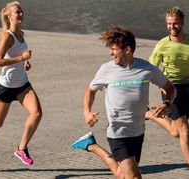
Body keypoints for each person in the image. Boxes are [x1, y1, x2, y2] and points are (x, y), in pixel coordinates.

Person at [71, 25, 176, 179]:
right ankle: (91, 145)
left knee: (122, 174)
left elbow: (170, 88)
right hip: (117, 133)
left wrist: (166, 104)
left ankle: (91, 145)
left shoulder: (146, 69)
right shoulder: (106, 69)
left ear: (127, 50)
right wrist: (87, 111)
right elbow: (90, 90)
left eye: (114, 49)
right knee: (134, 176)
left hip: (138, 131)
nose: (110, 53)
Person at [0, 1, 42, 168]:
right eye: (17, 12)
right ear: (9, 16)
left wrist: (24, 64)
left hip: (22, 85)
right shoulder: (8, 36)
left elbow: (19, 58)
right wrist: (21, 59)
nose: (20, 14)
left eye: (21, 11)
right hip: (5, 87)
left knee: (36, 113)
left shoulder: (21, 34)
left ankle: (21, 148)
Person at [147, 7, 189, 179]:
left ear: (182, 23)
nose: (172, 26)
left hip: (186, 89)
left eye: (175, 23)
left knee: (176, 132)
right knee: (185, 131)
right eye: (169, 23)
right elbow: (151, 70)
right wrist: (160, 85)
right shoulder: (162, 45)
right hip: (170, 88)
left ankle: (150, 114)